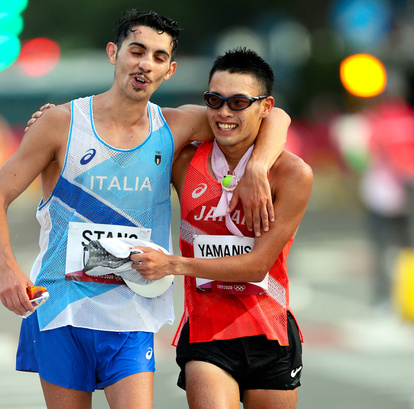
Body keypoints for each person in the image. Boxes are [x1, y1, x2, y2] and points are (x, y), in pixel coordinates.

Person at [0, 10, 290, 409]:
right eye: (136, 51)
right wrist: (7, 269)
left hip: (131, 310)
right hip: (61, 308)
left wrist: (258, 166)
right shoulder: (60, 124)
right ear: (113, 53)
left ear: (169, 70)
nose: (144, 64)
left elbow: (269, 114)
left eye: (157, 57)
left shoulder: (176, 126)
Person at [131, 48, 313, 409]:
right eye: (215, 100)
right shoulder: (184, 161)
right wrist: (57, 118)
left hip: (269, 331)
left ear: (265, 106)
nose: (224, 113)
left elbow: (256, 266)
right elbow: (121, 128)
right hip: (207, 330)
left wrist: (174, 265)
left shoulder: (292, 175)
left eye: (239, 102)